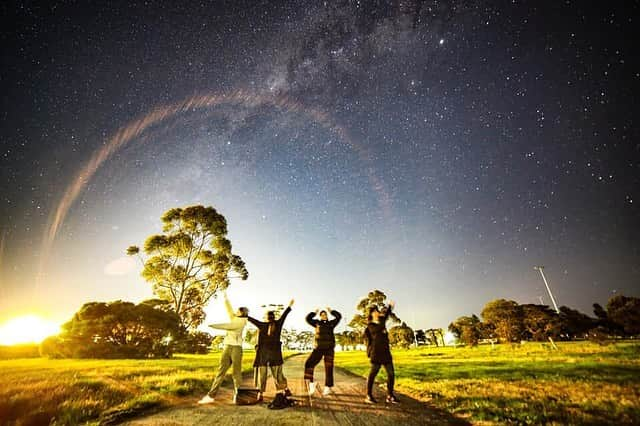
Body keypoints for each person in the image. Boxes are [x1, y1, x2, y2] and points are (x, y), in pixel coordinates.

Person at [198, 291, 249, 405]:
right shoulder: (235, 318)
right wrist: (226, 298)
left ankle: (239, 396)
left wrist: (212, 325)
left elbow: (228, 326)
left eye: (238, 311)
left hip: (236, 348)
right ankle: (211, 396)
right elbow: (229, 310)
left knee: (236, 373)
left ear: (242, 313)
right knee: (221, 372)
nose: (235, 312)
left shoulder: (241, 322)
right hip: (227, 347)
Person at [247, 299, 294, 400]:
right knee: (278, 374)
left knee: (262, 375)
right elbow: (284, 315)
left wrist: (243, 315)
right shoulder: (278, 324)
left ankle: (260, 394)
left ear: (266, 318)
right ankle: (283, 390)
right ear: (274, 317)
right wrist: (289, 306)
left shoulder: (261, 325)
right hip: (275, 354)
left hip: (263, 354)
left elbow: (251, 319)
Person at [364, 301, 398, 404]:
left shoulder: (382, 321)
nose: (376, 312)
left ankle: (390, 395)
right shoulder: (371, 325)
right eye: (373, 311)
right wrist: (382, 320)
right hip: (376, 353)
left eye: (376, 311)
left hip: (386, 352)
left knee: (391, 374)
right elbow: (378, 328)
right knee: (372, 374)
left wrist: (389, 307)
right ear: (370, 314)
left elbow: (386, 315)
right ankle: (368, 395)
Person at [304, 307, 341, 396]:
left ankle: (328, 387)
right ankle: (312, 384)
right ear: (320, 316)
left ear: (327, 316)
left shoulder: (332, 323)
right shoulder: (317, 323)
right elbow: (308, 319)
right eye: (322, 315)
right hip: (318, 348)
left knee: (329, 368)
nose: (324, 316)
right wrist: (314, 312)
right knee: (309, 364)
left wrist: (331, 311)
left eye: (325, 314)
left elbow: (338, 317)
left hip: (329, 349)